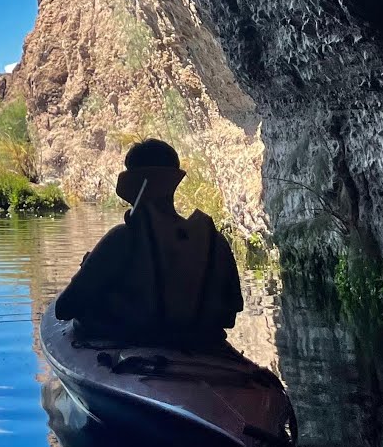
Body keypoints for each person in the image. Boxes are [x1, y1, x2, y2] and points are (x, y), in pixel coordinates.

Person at [54, 139, 242, 348]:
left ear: (129, 183)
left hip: (138, 344)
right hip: (204, 347)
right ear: (175, 181)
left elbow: (64, 308)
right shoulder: (215, 240)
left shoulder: (122, 238)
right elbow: (229, 317)